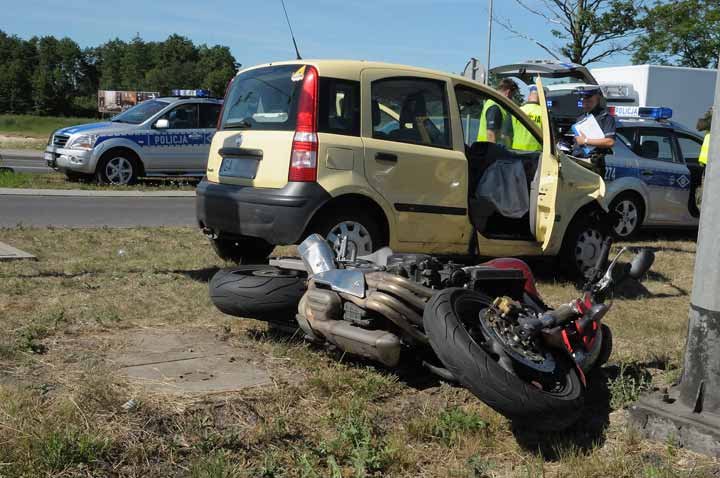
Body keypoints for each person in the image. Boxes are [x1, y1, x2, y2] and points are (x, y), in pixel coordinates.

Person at [572, 86, 616, 175]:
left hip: (592, 164)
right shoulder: (580, 118)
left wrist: (585, 140)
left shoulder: (606, 118)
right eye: (583, 101)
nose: (586, 104)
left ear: (597, 98)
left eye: (589, 101)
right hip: (577, 161)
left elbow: (610, 142)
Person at [477, 78, 518, 147]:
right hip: (489, 153)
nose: (512, 99)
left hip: (486, 150)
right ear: (508, 92)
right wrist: (493, 155)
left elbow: (500, 133)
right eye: (512, 95)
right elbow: (491, 134)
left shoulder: (496, 104)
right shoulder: (495, 107)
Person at [511, 85, 543, 152]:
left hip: (517, 150)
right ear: (540, 97)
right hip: (536, 152)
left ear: (529, 97)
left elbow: (509, 131)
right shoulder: (543, 113)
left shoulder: (518, 110)